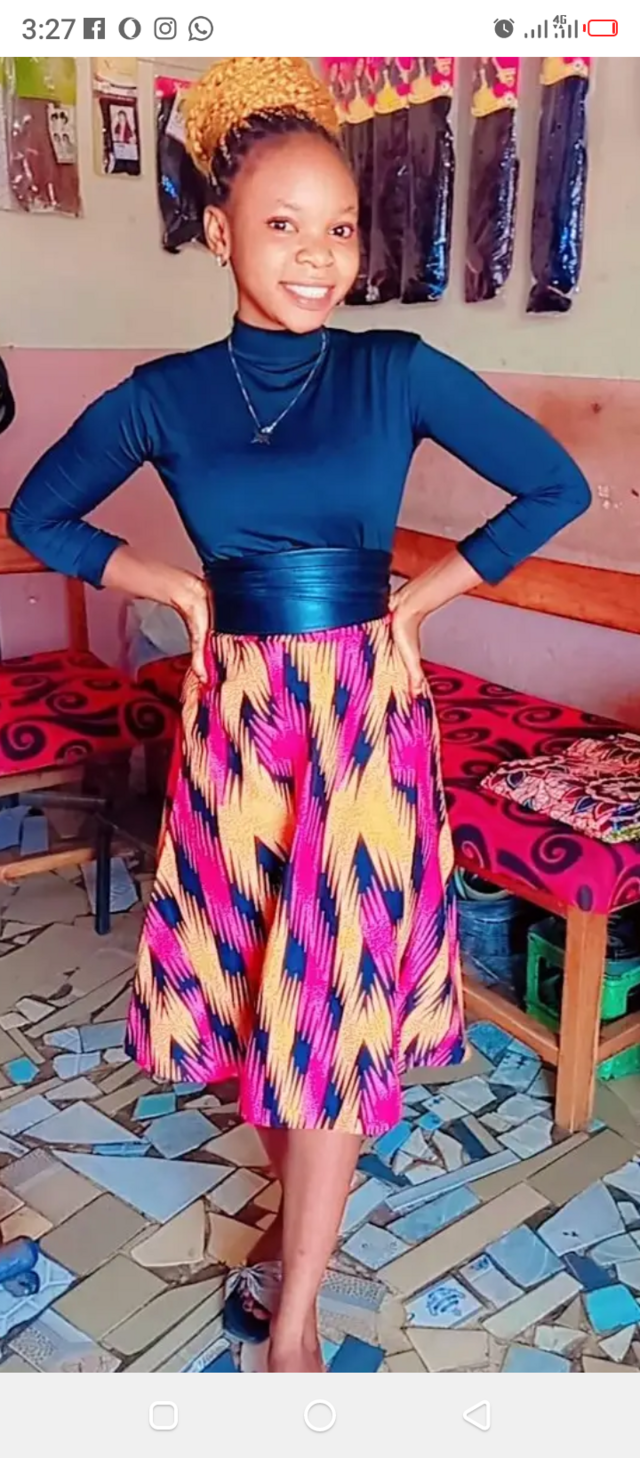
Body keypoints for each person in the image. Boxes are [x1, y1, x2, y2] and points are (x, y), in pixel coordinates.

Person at [8, 56, 591, 1372]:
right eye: (283, 225)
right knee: (254, 989)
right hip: (236, 725)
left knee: (327, 999)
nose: (319, 256)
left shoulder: (397, 370)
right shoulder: (163, 394)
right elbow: (40, 512)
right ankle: (297, 1236)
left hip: (365, 720)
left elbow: (552, 485)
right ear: (220, 233)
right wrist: (171, 584)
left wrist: (423, 598)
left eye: (341, 227)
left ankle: (296, 1314)